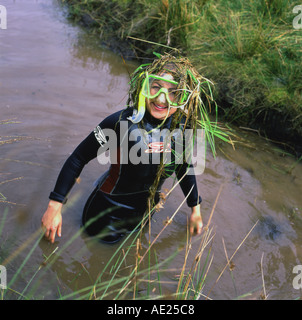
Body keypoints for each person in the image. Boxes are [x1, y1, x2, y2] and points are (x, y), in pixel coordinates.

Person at [41, 53, 217, 244]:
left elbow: (184, 168)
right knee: (94, 258)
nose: (161, 98)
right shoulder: (120, 123)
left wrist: (195, 209)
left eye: (173, 92)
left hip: (143, 215)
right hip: (106, 213)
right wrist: (54, 206)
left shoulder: (182, 128)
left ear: (184, 98)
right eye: (156, 87)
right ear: (144, 87)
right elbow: (78, 158)